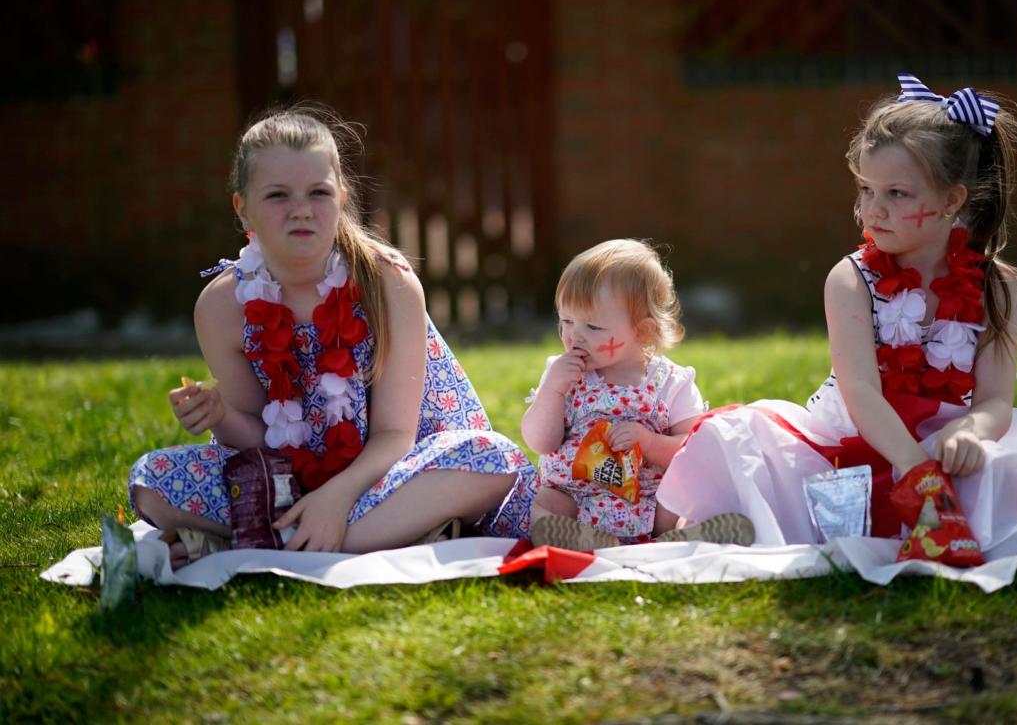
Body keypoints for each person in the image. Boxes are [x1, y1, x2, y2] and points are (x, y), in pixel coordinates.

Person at [656, 75, 1017, 559]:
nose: (873, 209)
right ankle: (691, 527)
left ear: (952, 200)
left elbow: (995, 400)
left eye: (896, 194)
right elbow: (861, 392)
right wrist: (915, 471)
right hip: (847, 438)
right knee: (743, 446)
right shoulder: (850, 280)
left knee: (1000, 473)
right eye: (866, 189)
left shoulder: (998, 287)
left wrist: (971, 432)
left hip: (938, 438)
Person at [129, 106, 536, 568]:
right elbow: (258, 442)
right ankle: (376, 535)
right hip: (288, 487)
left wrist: (335, 500)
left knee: (491, 458)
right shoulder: (222, 307)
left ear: (341, 197)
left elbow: (395, 435)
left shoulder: (387, 282)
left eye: (318, 192)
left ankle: (266, 542)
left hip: (395, 471)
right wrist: (221, 415)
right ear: (242, 206)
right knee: (151, 483)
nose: (301, 209)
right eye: (278, 195)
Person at [522, 239, 754, 551]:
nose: (574, 335)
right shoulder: (562, 375)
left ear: (643, 331)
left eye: (592, 326)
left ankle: (684, 534)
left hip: (651, 499)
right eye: (566, 320)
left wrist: (650, 443)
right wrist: (552, 390)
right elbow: (539, 442)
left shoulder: (671, 383)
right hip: (576, 498)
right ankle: (580, 538)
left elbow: (693, 451)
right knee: (539, 503)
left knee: (694, 495)